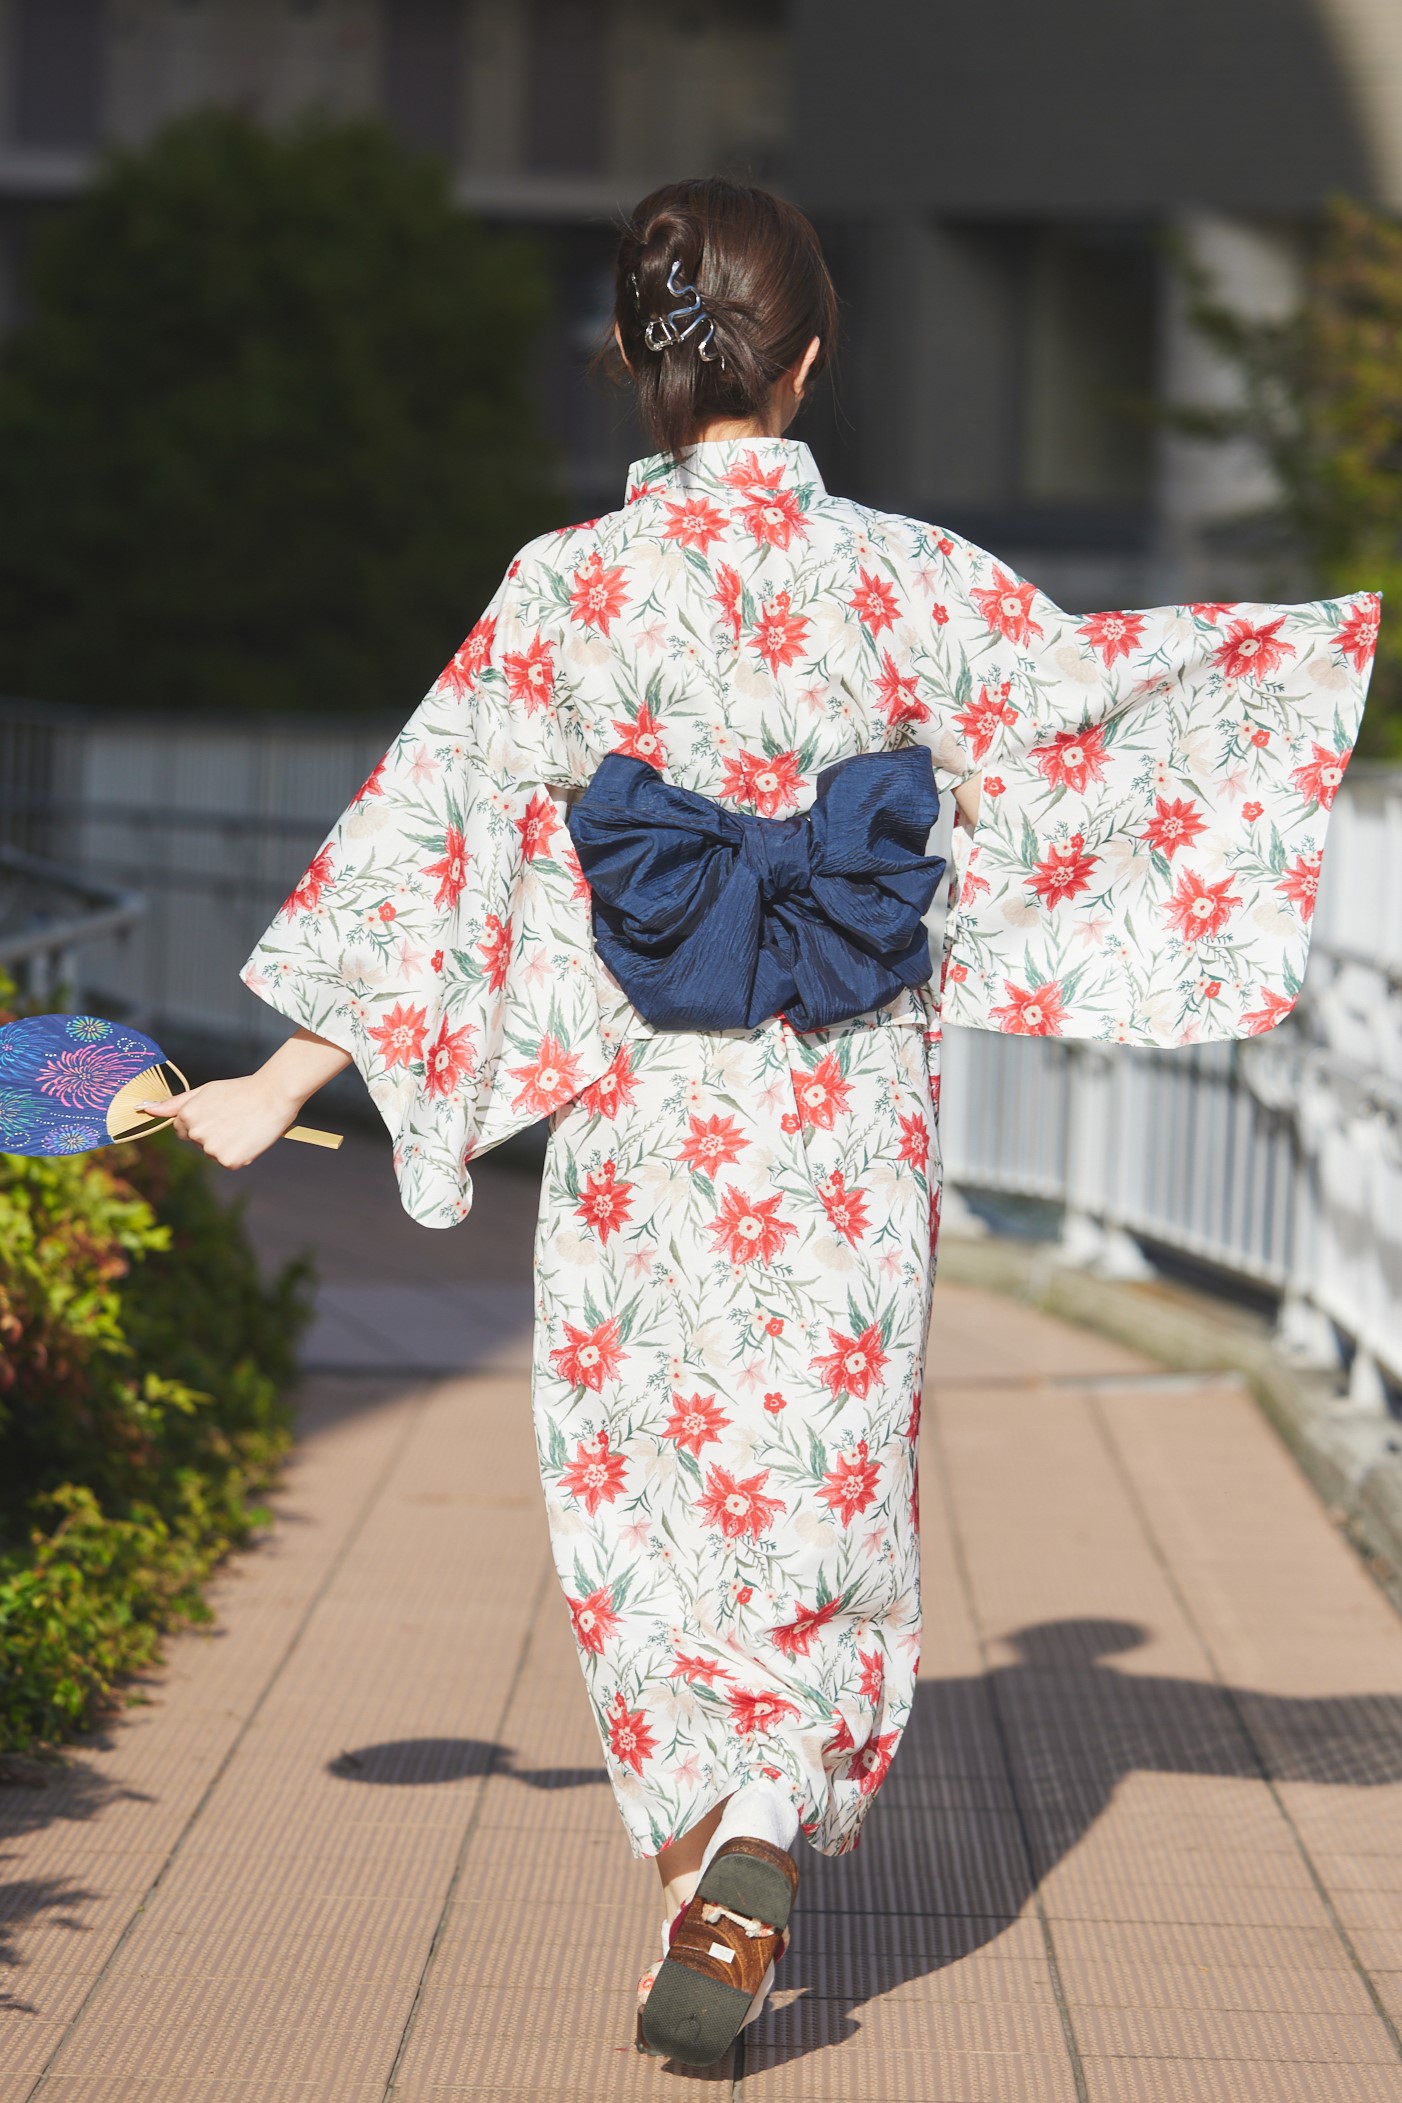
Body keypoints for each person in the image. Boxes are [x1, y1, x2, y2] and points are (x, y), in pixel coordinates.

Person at [150, 178, 1377, 2066]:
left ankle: (698, 1868)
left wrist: (274, 1084)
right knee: (822, 1486)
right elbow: (1091, 718)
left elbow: (426, 845)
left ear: (629, 362)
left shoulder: (564, 590)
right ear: (809, 357)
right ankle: (772, 1811)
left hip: (645, 1130)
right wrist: (1305, 658)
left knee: (643, 1489)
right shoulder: (905, 575)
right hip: (843, 1115)